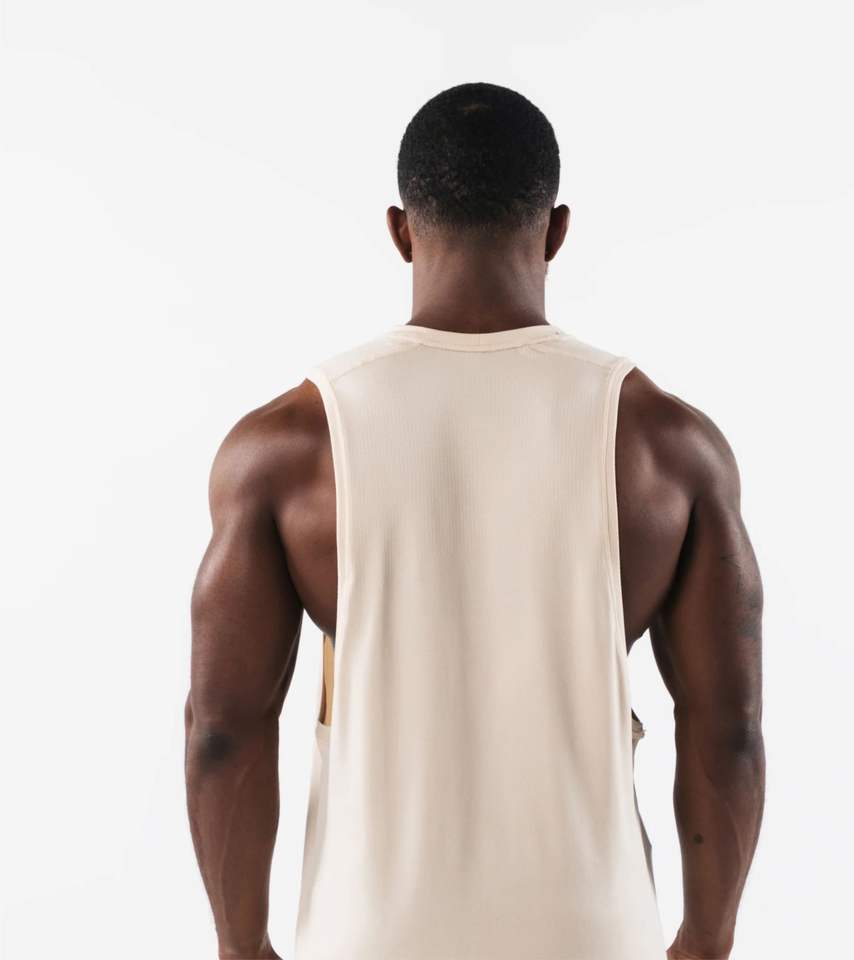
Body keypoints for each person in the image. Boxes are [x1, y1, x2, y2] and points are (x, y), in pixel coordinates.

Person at [185, 81, 765, 960]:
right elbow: (728, 731)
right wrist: (706, 943)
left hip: (366, 935)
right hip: (593, 931)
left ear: (400, 230)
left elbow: (223, 731)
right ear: (557, 231)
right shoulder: (667, 446)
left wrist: (241, 947)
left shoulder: (288, 446)